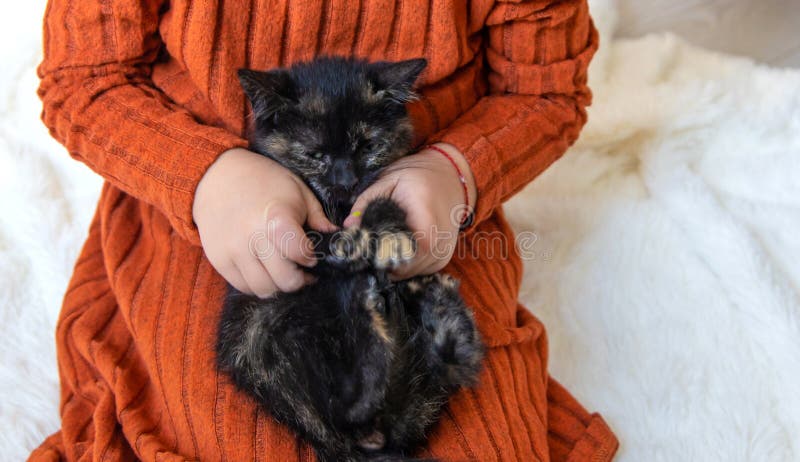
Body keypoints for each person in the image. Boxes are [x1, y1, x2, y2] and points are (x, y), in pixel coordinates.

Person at [30, 0, 618, 460]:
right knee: (222, 433)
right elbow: (82, 78)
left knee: (473, 438)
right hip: (202, 206)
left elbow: (545, 90)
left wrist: (459, 173)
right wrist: (203, 177)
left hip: (426, 202)